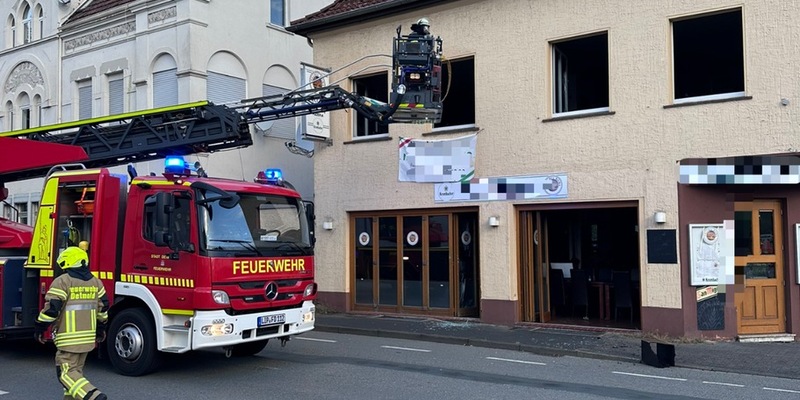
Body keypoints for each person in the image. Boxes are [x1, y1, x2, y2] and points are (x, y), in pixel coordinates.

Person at [35, 246, 109, 400]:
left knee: (65, 374)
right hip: (87, 339)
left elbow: (52, 310)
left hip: (69, 339)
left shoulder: (62, 281)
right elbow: (103, 309)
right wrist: (101, 329)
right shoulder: (96, 282)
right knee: (74, 376)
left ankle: (93, 395)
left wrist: (40, 327)